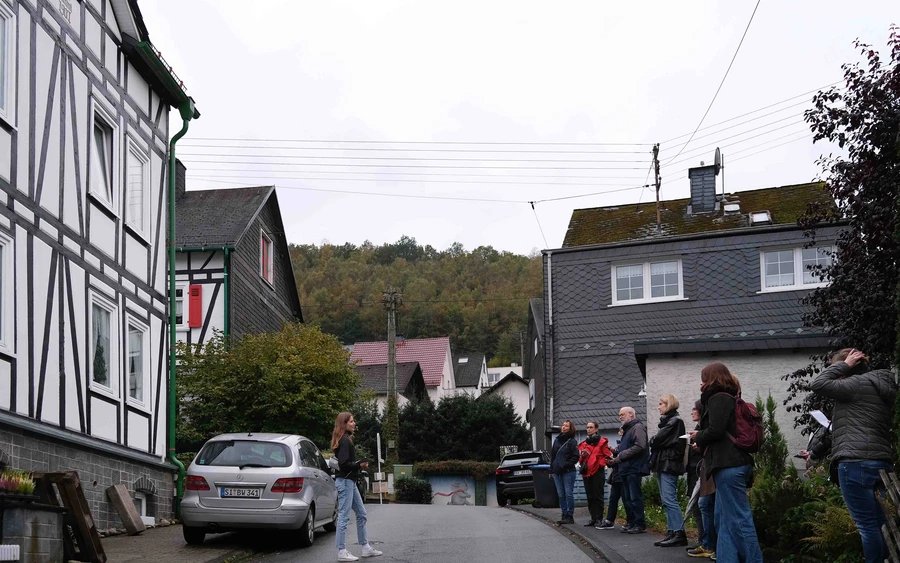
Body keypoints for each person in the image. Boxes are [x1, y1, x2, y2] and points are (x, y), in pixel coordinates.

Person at [810, 348, 897, 563]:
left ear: (847, 368)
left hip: (855, 464)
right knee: (881, 524)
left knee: (867, 527)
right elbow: (851, 428)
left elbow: (818, 384)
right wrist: (814, 451)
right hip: (880, 462)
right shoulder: (879, 387)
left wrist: (844, 365)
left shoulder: (854, 384)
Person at [690, 362, 762, 563]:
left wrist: (698, 435)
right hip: (730, 464)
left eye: (704, 378)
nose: (701, 383)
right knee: (725, 521)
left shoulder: (719, 398)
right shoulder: (727, 397)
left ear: (712, 378)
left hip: (730, 465)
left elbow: (716, 430)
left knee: (739, 519)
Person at [332, 412, 383, 562]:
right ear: (344, 424)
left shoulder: (344, 440)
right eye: (352, 421)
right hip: (346, 482)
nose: (354, 424)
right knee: (344, 516)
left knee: (361, 514)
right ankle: (341, 550)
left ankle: (365, 547)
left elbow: (345, 463)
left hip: (350, 482)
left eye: (354, 421)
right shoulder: (345, 441)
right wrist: (358, 465)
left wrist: (358, 466)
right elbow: (343, 464)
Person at [649, 394, 688, 547]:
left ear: (668, 404)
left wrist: (655, 441)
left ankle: (679, 532)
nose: (658, 407)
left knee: (670, 499)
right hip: (664, 463)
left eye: (661, 404)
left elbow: (656, 440)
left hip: (668, 464)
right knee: (666, 500)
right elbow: (656, 441)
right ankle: (672, 531)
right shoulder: (670, 422)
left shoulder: (674, 422)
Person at [609, 406, 649, 534]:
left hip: (633, 467)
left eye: (622, 414)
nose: (620, 416)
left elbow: (640, 446)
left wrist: (621, 455)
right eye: (619, 414)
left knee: (635, 497)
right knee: (627, 498)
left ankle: (639, 524)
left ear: (631, 414)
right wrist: (616, 457)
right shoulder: (628, 430)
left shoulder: (637, 428)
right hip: (625, 468)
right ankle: (632, 522)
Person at [687, 400, 716, 559]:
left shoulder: (708, 427)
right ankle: (706, 543)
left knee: (705, 505)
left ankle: (710, 545)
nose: (691, 412)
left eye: (694, 409)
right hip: (702, 471)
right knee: (702, 506)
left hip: (708, 471)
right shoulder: (702, 428)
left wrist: (700, 446)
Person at [578, 421, 612, 526]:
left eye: (591, 427)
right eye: (587, 427)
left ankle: (599, 518)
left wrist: (599, 463)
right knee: (590, 496)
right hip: (586, 472)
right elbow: (580, 460)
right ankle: (593, 518)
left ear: (596, 429)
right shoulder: (584, 443)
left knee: (598, 496)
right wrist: (583, 456)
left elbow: (607, 456)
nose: (588, 429)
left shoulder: (602, 442)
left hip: (597, 472)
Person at [550, 420, 580, 524]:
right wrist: (551, 469)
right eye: (563, 425)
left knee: (568, 494)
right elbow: (553, 455)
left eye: (566, 426)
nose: (563, 427)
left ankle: (570, 515)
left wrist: (565, 464)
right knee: (561, 494)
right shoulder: (557, 440)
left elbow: (576, 457)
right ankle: (564, 513)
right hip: (556, 472)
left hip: (568, 471)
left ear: (570, 428)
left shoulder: (572, 441)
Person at [595, 427, 624, 530]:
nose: (619, 434)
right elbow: (615, 462)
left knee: (627, 499)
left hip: (623, 475)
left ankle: (631, 521)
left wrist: (615, 458)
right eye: (619, 432)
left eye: (621, 432)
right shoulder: (620, 445)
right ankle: (609, 520)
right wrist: (612, 458)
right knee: (613, 499)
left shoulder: (625, 445)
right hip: (617, 476)